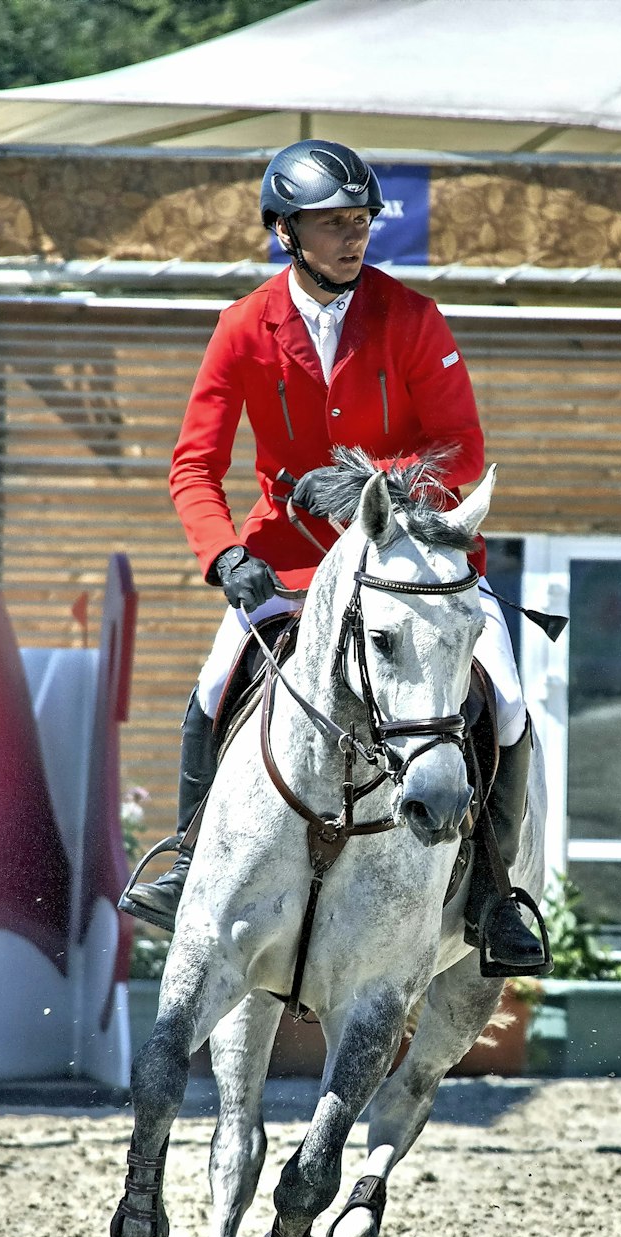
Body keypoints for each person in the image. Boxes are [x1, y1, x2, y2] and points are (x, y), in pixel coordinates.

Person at [120, 139, 546, 975]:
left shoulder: (413, 318)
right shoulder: (244, 327)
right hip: (291, 565)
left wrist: (366, 482)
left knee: (511, 699)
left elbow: (461, 447)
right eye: (334, 224)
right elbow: (193, 467)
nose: (355, 238)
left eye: (361, 221)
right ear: (286, 231)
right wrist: (224, 555)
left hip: (419, 562)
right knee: (213, 687)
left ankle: (496, 896)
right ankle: (191, 861)